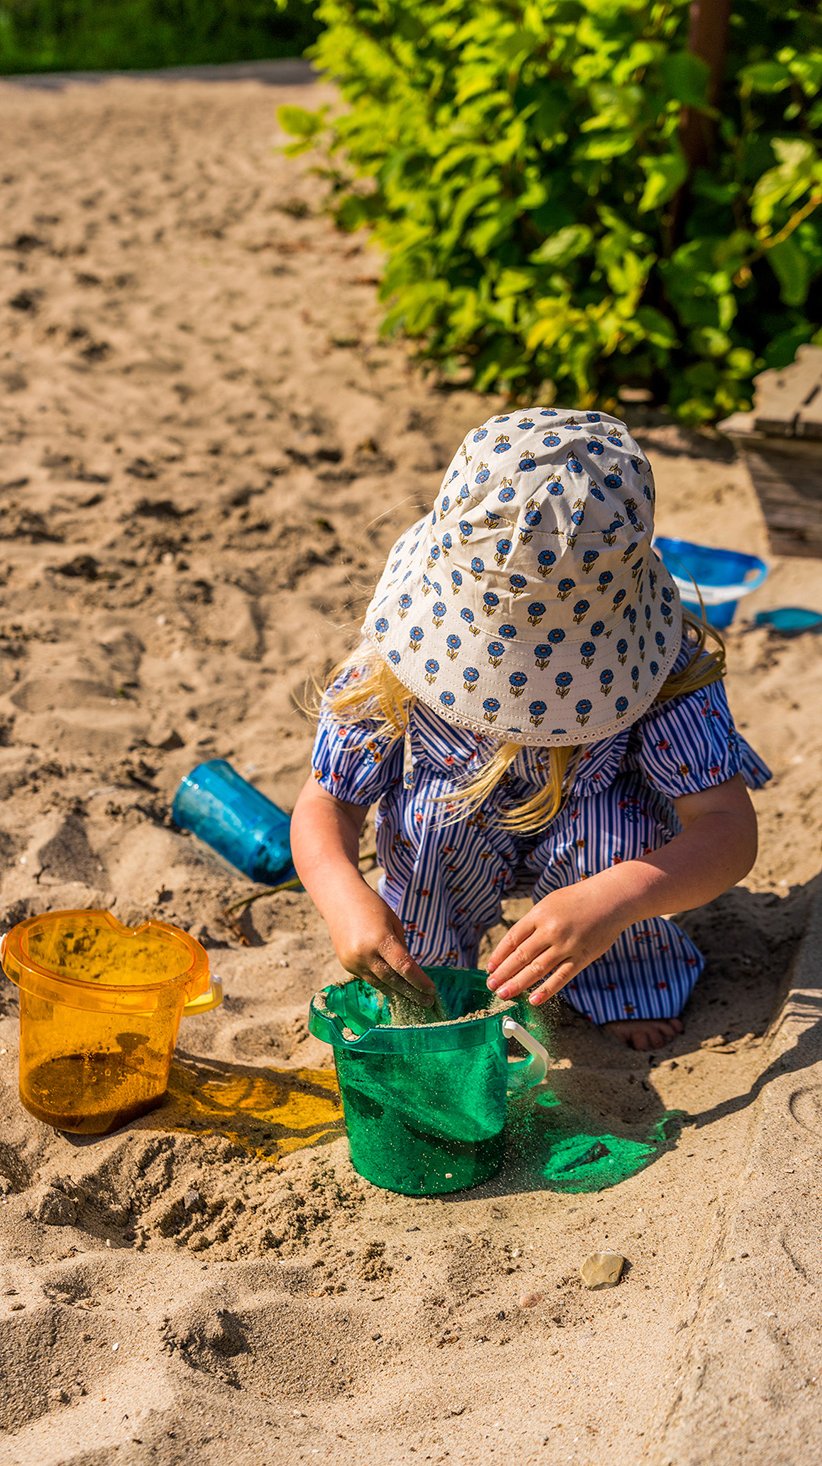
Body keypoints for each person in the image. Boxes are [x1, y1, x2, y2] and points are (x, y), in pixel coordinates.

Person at [290, 408, 769, 1050]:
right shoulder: (397, 663)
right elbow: (328, 801)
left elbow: (728, 830)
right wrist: (343, 898)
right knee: (425, 826)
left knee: (614, 836)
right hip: (459, 834)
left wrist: (613, 901)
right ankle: (433, 987)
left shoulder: (664, 671)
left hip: (597, 844)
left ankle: (621, 975)